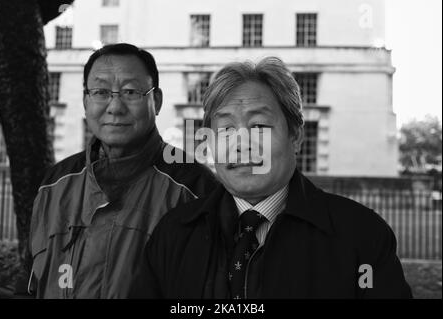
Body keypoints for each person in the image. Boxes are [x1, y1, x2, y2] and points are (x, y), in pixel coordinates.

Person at [141, 57, 412, 299]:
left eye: (259, 126)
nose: (240, 143)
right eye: (225, 128)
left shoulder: (361, 236)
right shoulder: (173, 233)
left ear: (295, 135)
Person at [29, 43, 217, 298]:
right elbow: (30, 283)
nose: (115, 107)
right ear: (86, 100)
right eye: (101, 91)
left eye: (130, 91)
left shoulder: (194, 187)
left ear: (156, 100)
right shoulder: (55, 184)